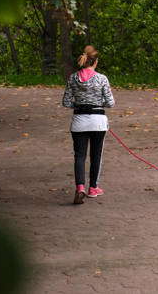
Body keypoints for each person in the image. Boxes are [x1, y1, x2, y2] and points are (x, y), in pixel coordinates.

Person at [62, 45, 115, 205]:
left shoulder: (72, 78)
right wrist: (97, 104)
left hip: (79, 121)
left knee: (79, 156)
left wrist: (80, 105)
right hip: (98, 122)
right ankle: (93, 188)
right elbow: (111, 103)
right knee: (96, 155)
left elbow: (66, 102)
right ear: (95, 62)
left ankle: (80, 188)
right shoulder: (102, 78)